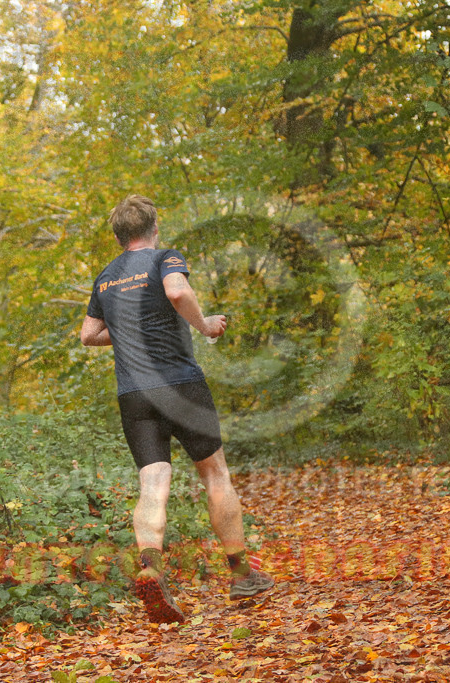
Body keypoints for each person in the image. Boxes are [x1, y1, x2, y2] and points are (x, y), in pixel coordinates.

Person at [80, 195, 274, 623]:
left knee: (153, 482)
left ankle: (151, 569)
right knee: (214, 472)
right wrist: (204, 326)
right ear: (154, 227)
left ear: (118, 236)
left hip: (133, 394)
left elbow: (89, 335)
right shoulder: (165, 258)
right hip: (179, 385)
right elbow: (177, 290)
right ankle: (242, 576)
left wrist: (129, 332)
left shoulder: (105, 277)